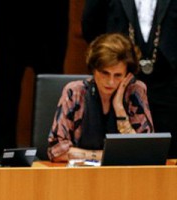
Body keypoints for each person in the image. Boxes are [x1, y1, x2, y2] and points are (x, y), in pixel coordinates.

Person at [82, 0, 177, 157]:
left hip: (169, 86)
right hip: (118, 83)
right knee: (121, 156)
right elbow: (91, 25)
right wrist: (112, 60)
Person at [48, 33, 154, 162]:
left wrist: (120, 109)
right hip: (79, 176)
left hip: (125, 177)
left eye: (118, 75)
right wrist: (107, 156)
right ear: (94, 69)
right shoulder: (75, 92)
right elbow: (56, 151)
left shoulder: (135, 91)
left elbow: (146, 151)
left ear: (128, 75)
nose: (110, 82)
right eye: (105, 73)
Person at [0, 0, 69, 155]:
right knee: (7, 85)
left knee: (51, 84)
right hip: (9, 15)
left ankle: (51, 147)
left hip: (51, 15)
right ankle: (4, 150)